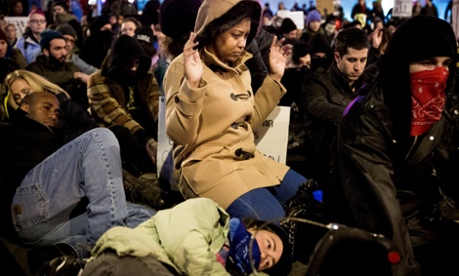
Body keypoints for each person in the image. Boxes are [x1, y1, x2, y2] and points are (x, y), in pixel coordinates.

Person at [330, 16, 459, 275]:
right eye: (427, 63)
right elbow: (379, 210)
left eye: (446, 64)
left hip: (430, 219)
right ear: (403, 63)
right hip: (381, 233)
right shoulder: (366, 118)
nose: (439, 73)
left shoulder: (439, 104)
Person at [164, 0, 306, 221]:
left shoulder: (239, 68)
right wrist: (191, 86)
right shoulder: (183, 66)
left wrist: (275, 78)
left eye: (246, 36)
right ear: (213, 31)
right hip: (207, 167)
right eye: (236, 35)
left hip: (250, 161)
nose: (242, 44)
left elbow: (248, 122)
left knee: (314, 200)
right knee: (274, 223)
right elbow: (180, 136)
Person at [0, 91, 155, 265]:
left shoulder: (55, 138)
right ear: (25, 107)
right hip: (25, 207)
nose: (53, 114)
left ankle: (68, 251)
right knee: (99, 137)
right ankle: (110, 247)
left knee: (144, 216)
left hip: (46, 229)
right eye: (46, 107)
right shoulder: (9, 129)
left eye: (58, 112)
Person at [81, 197, 292, 276]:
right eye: (269, 245)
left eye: (267, 262)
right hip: (135, 260)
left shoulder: (236, 269)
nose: (264, 255)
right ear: (254, 227)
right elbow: (186, 249)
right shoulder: (209, 211)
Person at [87, 35, 161, 197]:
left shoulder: (146, 78)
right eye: (129, 64)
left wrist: (163, 131)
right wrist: (146, 138)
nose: (134, 68)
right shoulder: (98, 80)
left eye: (137, 63)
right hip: (117, 131)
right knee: (124, 136)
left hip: (144, 127)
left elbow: (156, 106)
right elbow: (114, 114)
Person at [299, 27, 374, 183]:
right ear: (337, 57)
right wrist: (358, 117)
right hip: (326, 168)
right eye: (352, 60)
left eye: (363, 60)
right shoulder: (318, 80)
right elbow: (316, 105)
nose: (358, 67)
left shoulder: (370, 82)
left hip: (365, 165)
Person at [26, 29, 90, 110]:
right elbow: (45, 80)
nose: (64, 53)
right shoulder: (34, 68)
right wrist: (75, 75)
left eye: (64, 48)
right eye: (58, 49)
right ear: (46, 51)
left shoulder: (70, 67)